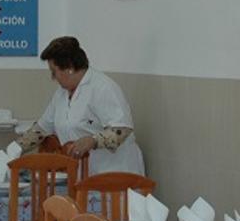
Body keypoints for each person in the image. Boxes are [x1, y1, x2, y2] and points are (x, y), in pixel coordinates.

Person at [16, 37, 145, 175]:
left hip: (115, 175)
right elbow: (41, 129)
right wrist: (15, 149)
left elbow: (122, 130)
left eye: (54, 72)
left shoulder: (102, 88)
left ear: (69, 68)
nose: (53, 77)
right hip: (84, 176)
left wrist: (93, 141)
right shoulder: (61, 94)